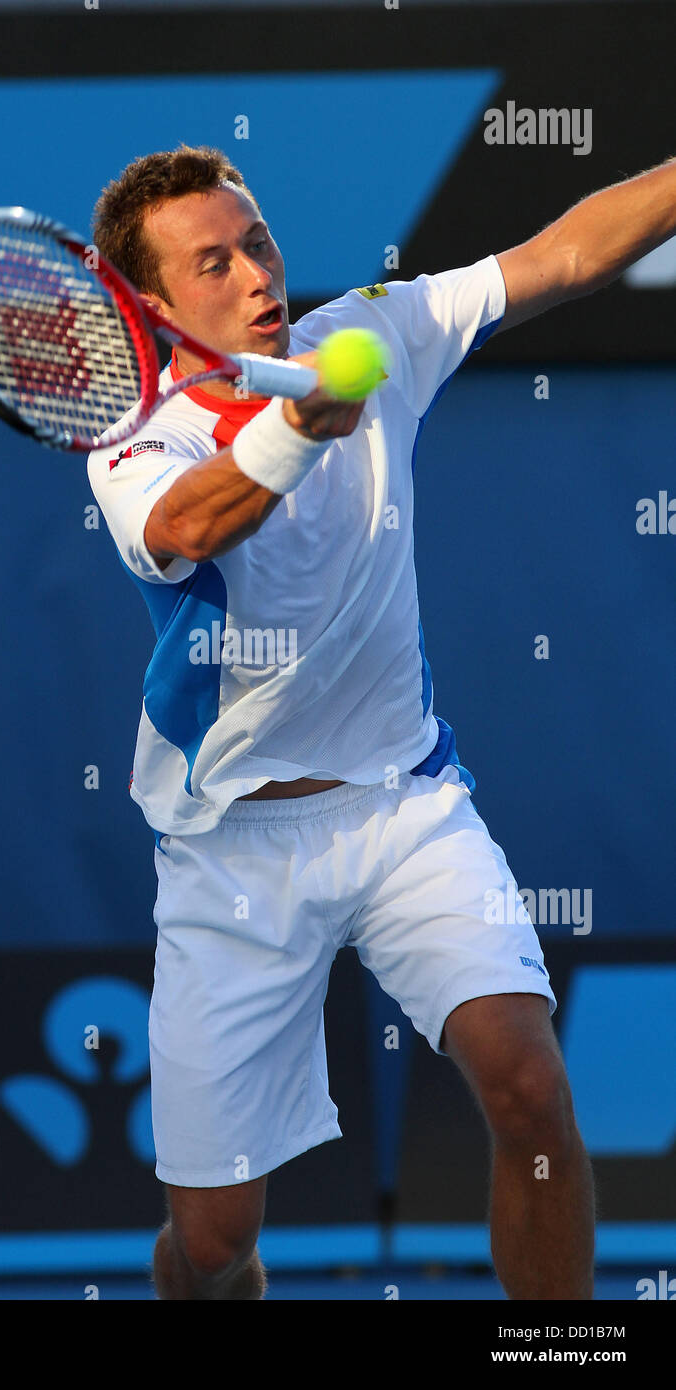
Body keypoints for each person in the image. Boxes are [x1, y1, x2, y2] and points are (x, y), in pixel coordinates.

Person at [87, 143, 676, 1300]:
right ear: (153, 306)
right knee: (211, 1250)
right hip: (229, 853)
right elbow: (194, 528)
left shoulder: (371, 331)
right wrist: (305, 428)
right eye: (213, 262)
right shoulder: (137, 436)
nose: (257, 273)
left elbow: (561, 253)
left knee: (527, 1085)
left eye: (256, 241)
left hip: (405, 804)